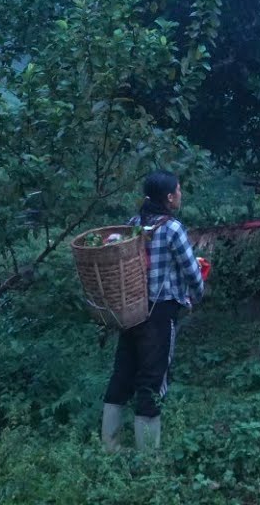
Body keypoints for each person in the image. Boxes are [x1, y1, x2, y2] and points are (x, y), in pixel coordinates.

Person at [101, 170, 205, 452]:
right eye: (179, 191)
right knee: (152, 377)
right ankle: (147, 458)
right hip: (159, 314)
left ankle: (110, 446)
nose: (181, 195)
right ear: (169, 197)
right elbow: (191, 272)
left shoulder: (134, 224)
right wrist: (198, 294)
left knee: (123, 371)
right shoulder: (172, 229)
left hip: (131, 310)